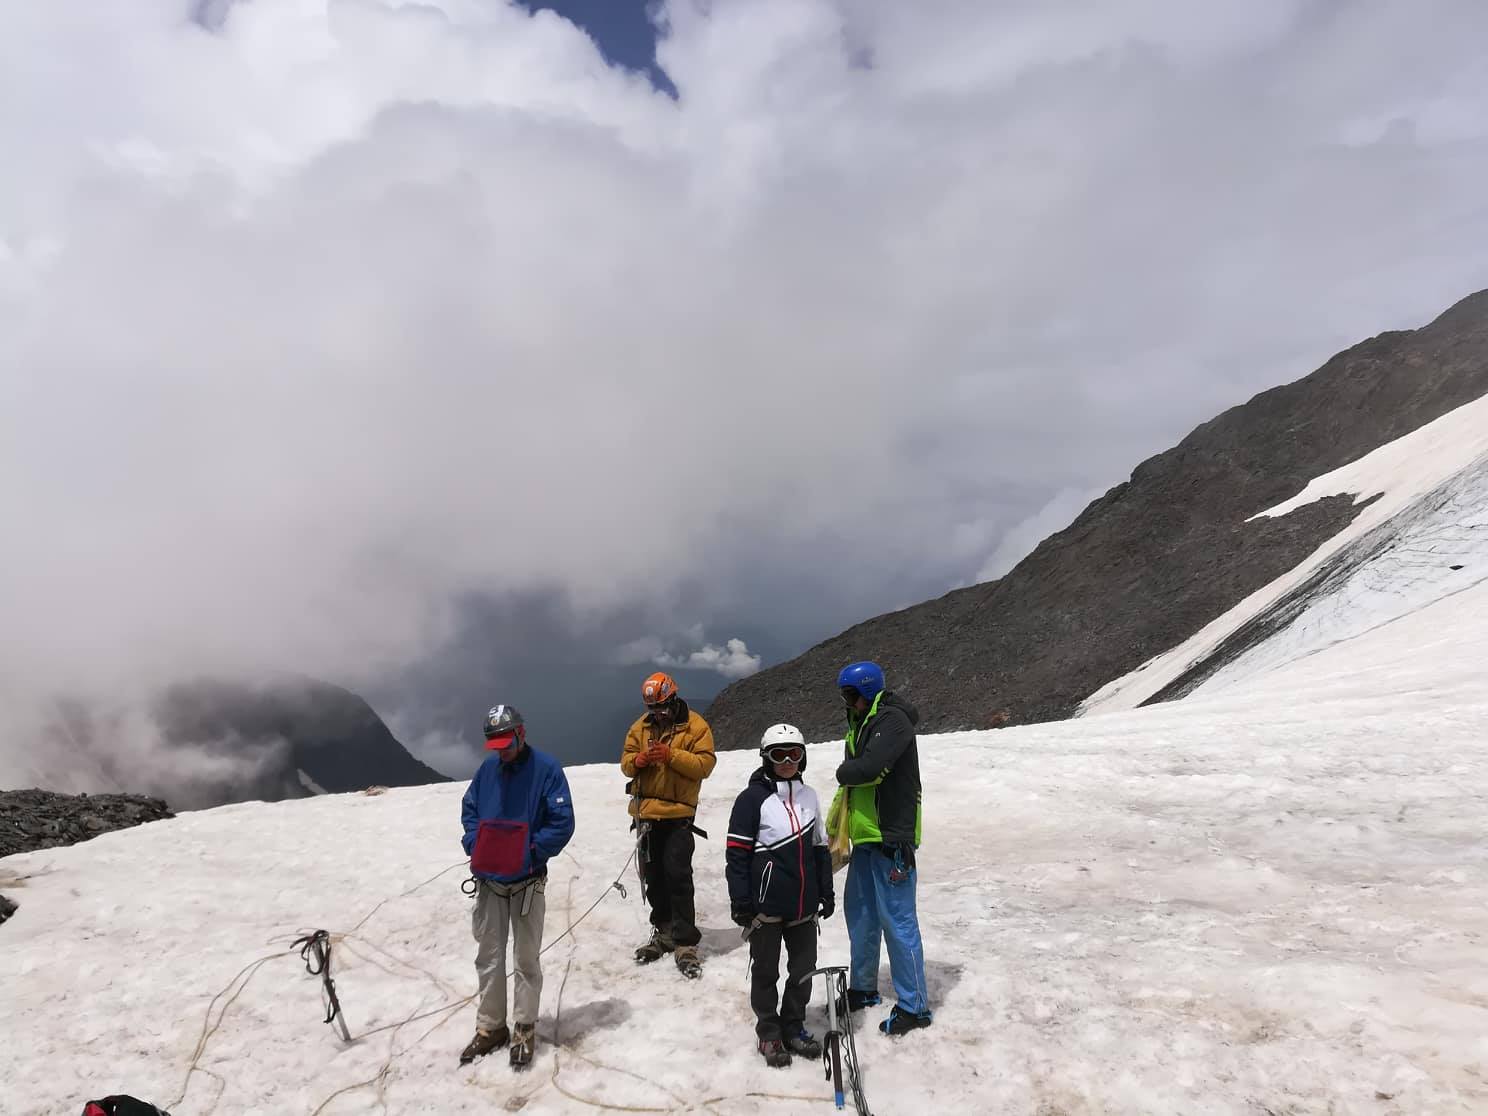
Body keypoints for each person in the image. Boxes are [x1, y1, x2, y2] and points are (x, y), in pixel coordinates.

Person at [459, 704, 575, 1069]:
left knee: (526, 959)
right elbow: (470, 810)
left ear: (522, 734)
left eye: (507, 743)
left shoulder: (546, 769)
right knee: (488, 956)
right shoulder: (487, 770)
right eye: (496, 746)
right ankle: (491, 1027)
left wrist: (528, 853)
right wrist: (475, 845)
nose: (502, 751)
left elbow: (562, 822)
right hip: (490, 882)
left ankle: (524, 1027)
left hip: (526, 882)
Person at [831, 661, 931, 1035]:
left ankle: (915, 1006)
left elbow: (866, 770)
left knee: (899, 922)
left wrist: (846, 770)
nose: (846, 701)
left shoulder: (892, 721)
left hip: (892, 839)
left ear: (866, 691)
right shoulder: (862, 723)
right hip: (865, 840)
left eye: (850, 694)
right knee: (861, 917)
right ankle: (863, 989)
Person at [726, 723, 834, 1068]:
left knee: (803, 969)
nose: (787, 761)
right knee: (766, 972)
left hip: (803, 905)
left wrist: (826, 891)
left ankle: (794, 1025)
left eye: (795, 754)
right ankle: (769, 1032)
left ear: (803, 758)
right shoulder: (752, 800)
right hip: (765, 908)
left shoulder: (809, 796)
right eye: (779, 754)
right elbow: (737, 855)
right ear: (766, 758)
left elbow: (819, 847)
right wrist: (741, 902)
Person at [620, 671, 717, 978]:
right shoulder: (640, 728)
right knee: (654, 877)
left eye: (661, 706)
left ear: (673, 699)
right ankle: (663, 933)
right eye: (652, 708)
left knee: (678, 876)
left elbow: (705, 765)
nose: (657, 713)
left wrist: (671, 755)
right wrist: (638, 762)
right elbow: (625, 764)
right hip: (646, 815)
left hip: (678, 816)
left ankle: (685, 941)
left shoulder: (695, 726)